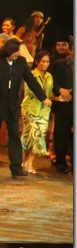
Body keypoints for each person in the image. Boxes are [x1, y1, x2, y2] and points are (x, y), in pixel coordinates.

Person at [0, 39, 51, 177]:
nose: (18, 54)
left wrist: (43, 97)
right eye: (16, 51)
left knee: (15, 135)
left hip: (12, 106)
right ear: (8, 50)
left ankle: (16, 167)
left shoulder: (21, 62)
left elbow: (31, 80)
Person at [20, 50, 53, 174]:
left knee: (38, 137)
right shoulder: (31, 74)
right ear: (37, 62)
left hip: (44, 111)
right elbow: (29, 91)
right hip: (30, 108)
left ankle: (30, 162)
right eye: (43, 61)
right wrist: (43, 99)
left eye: (47, 62)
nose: (45, 64)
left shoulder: (49, 76)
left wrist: (57, 97)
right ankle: (22, 160)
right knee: (29, 136)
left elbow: (50, 93)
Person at [50, 40, 73, 174]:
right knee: (61, 135)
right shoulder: (60, 64)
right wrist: (60, 90)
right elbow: (52, 83)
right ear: (70, 50)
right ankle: (60, 162)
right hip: (63, 106)